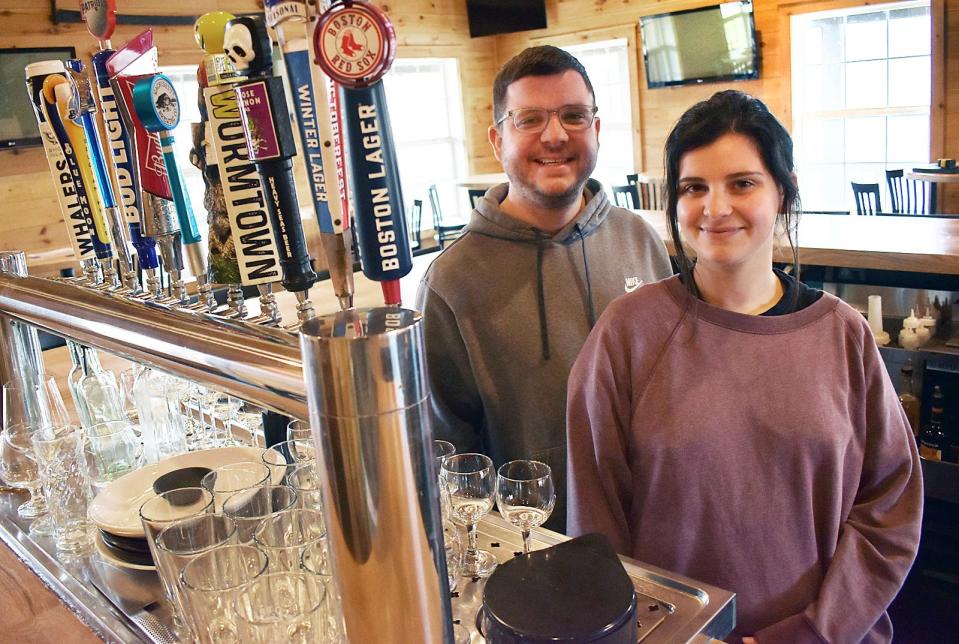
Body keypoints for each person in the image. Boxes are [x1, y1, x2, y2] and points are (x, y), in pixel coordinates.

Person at [566, 90, 922, 641]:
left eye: (742, 183)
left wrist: (815, 631)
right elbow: (597, 523)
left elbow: (889, 509)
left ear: (784, 191)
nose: (715, 207)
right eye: (694, 187)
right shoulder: (627, 332)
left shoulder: (843, 333)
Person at [416, 46, 672, 532]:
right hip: (536, 549)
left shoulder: (638, 239)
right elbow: (450, 463)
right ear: (497, 139)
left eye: (574, 116)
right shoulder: (451, 283)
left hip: (660, 529)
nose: (555, 136)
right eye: (529, 119)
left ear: (596, 129)